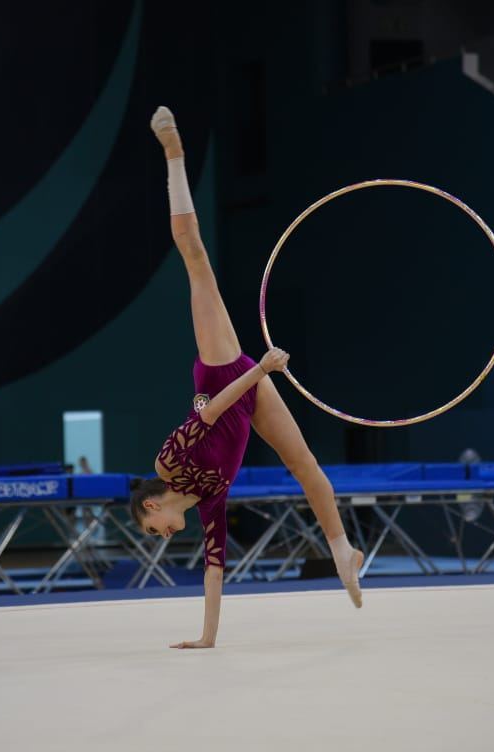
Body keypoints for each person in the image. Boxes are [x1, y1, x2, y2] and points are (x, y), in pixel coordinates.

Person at [129, 106, 364, 649]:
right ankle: (343, 552)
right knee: (304, 464)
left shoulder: (167, 464)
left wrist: (260, 368)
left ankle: (174, 155)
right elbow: (214, 570)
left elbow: (209, 412)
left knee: (195, 257)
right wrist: (206, 639)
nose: (161, 537)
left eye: (152, 530)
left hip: (220, 373)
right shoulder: (207, 504)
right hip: (249, 389)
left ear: (152, 505)